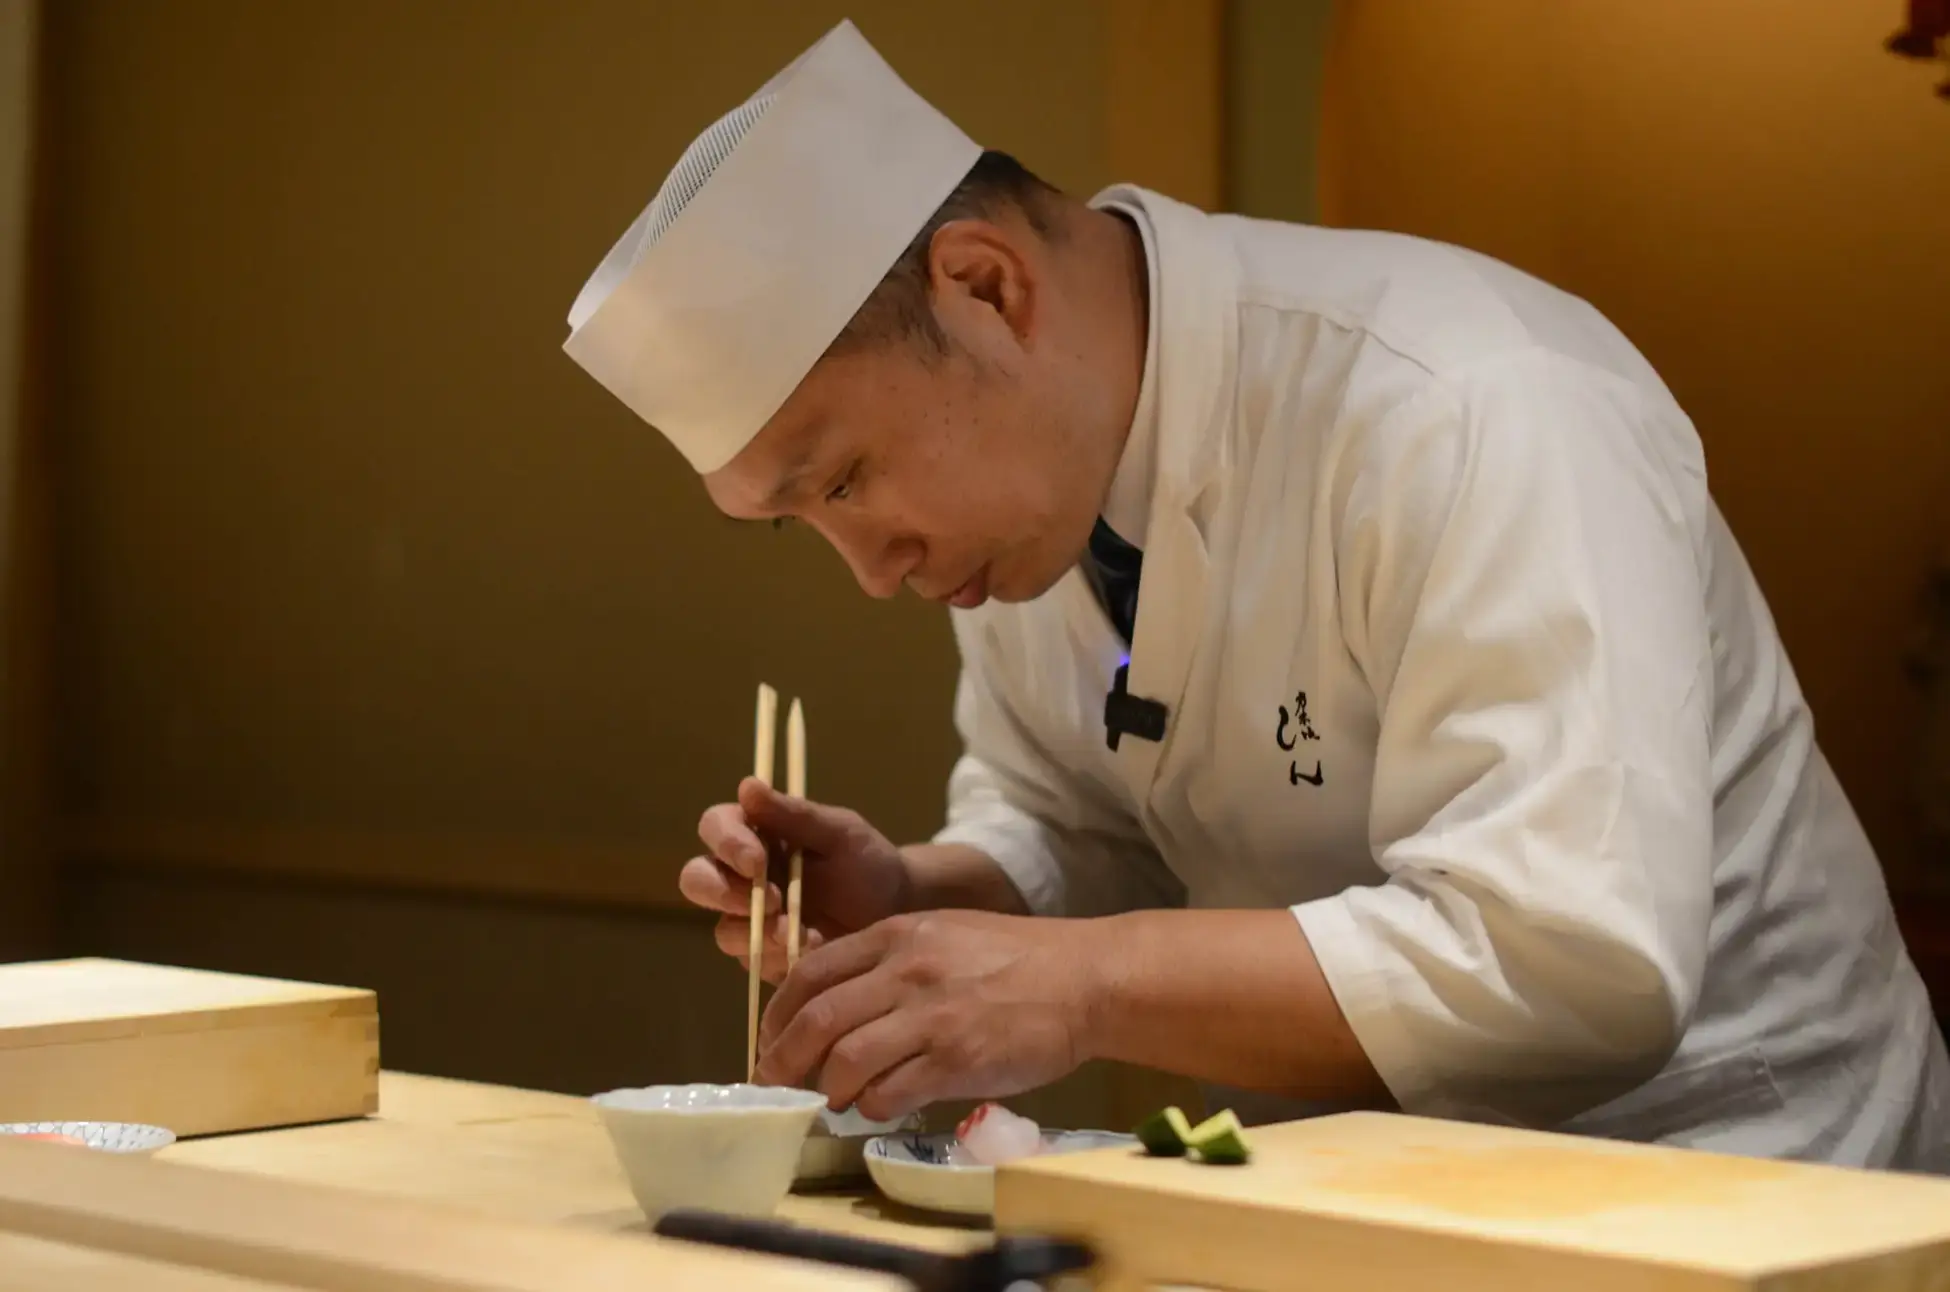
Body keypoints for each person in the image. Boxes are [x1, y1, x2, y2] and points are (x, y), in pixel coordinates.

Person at [562, 19, 1950, 1170]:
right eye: (800, 522)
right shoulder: (1033, 517)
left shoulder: (1468, 403)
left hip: (1752, 1188)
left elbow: (1577, 959)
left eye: (847, 478)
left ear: (985, 288)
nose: (871, 573)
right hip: (1377, 1202)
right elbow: (1079, 822)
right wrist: (920, 894)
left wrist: (1076, 985)